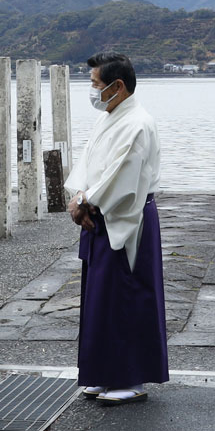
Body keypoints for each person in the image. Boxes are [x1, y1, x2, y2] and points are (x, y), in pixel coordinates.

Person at [65, 51, 168, 405]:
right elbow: (90, 164)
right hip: (100, 215)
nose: (93, 91)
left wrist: (87, 202)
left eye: (96, 84)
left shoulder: (137, 122)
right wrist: (80, 196)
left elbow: (124, 178)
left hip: (127, 217)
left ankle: (130, 377)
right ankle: (102, 373)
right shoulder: (112, 116)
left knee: (126, 295)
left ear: (117, 86)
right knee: (101, 300)